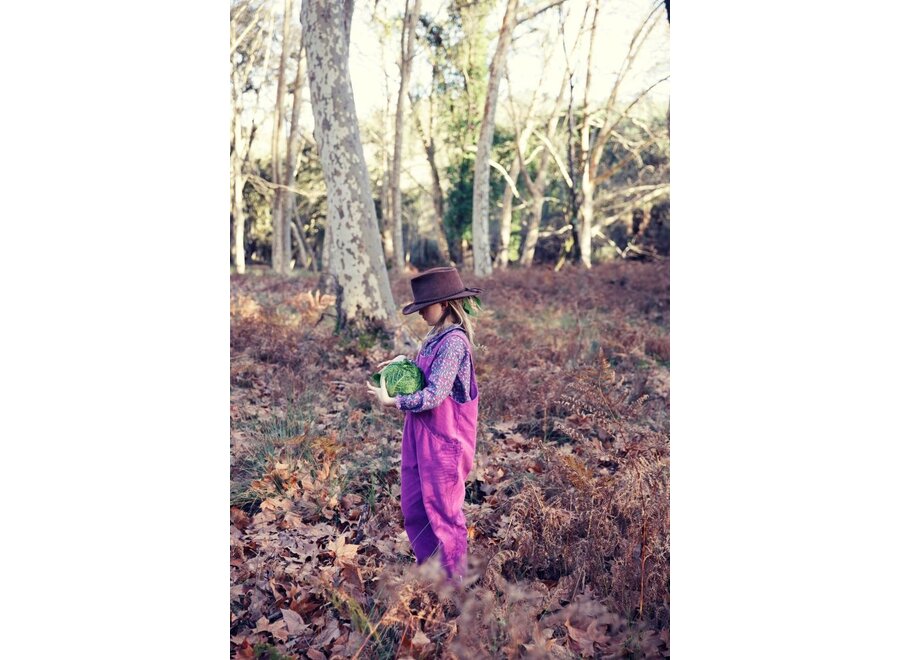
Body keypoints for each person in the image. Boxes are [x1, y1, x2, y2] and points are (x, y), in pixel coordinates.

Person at [366, 266, 483, 584]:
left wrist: (395, 402)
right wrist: (401, 365)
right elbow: (423, 376)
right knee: (415, 506)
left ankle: (454, 584)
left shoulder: (455, 343)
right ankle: (432, 574)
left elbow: (434, 394)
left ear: (444, 304)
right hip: (418, 436)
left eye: (424, 307)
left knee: (444, 512)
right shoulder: (434, 339)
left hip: (446, 441)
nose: (420, 314)